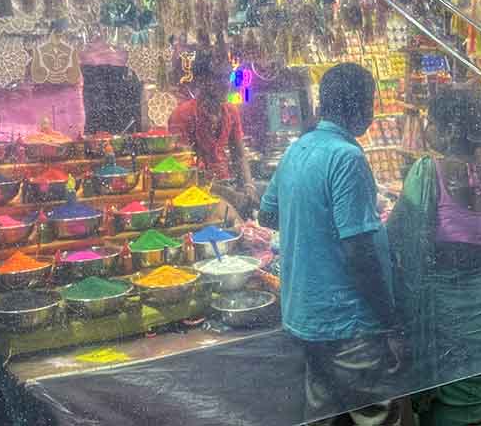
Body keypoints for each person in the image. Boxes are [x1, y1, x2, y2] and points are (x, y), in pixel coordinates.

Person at [259, 63, 400, 426]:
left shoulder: (299, 148)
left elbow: (267, 214)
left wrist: (311, 218)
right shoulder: (346, 157)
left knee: (322, 414)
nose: (371, 112)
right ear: (359, 106)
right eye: (370, 102)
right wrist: (387, 315)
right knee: (375, 416)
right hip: (348, 321)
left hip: (306, 315)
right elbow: (358, 251)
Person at [389, 85, 481, 426]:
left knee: (446, 398)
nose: (427, 129)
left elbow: (395, 237)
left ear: (448, 129)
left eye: (431, 122)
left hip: (442, 315)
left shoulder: (426, 174)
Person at [168, 50, 256, 207]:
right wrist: (226, 194)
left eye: (228, 77)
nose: (226, 84)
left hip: (226, 184)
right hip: (194, 194)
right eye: (218, 78)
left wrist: (249, 186)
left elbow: (239, 155)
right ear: (201, 81)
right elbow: (183, 170)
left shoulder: (231, 111)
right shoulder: (182, 115)